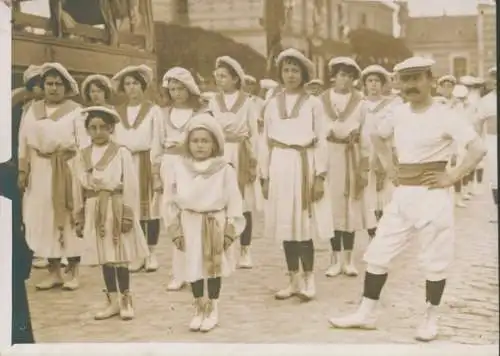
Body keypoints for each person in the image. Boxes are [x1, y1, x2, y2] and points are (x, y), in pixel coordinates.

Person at [328, 57, 487, 342]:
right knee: (378, 253)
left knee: (434, 259)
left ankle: (430, 317)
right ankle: (367, 312)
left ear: (431, 81)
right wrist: (389, 167)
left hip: (433, 196)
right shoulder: (398, 112)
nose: (411, 85)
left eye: (416, 78)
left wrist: (452, 176)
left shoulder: (445, 114)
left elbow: (477, 148)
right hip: (402, 195)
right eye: (405, 79)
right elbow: (377, 135)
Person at [260, 48, 333, 301]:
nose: (290, 75)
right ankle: (293, 279)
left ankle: (309, 279)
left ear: (304, 74)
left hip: (304, 165)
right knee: (286, 226)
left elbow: (322, 140)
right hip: (279, 165)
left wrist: (320, 176)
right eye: (286, 70)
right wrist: (265, 177)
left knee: (303, 226)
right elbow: (265, 141)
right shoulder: (271, 104)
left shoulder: (314, 104)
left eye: (295, 70)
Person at [164, 113, 245, 332]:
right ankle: (199, 307)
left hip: (214, 221)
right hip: (189, 221)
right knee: (194, 267)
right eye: (195, 141)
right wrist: (175, 228)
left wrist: (230, 229)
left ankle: (213, 308)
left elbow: (235, 201)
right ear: (188, 143)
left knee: (213, 268)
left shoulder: (224, 169)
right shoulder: (179, 167)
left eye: (205, 141)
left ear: (214, 144)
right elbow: (170, 200)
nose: (200, 146)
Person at [72, 106, 149, 321]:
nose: (98, 132)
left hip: (116, 205)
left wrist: (127, 213)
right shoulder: (82, 155)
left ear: (111, 128)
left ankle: (126, 299)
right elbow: (77, 187)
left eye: (103, 127)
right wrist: (79, 216)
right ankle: (112, 300)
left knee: (120, 256)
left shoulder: (121, 152)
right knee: (104, 256)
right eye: (93, 128)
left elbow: (131, 186)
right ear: (87, 130)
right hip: (94, 207)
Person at [18, 62, 89, 291]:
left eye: (59, 84)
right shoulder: (32, 109)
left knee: (69, 216)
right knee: (43, 219)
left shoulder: (75, 111)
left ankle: (74, 271)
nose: (54, 88)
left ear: (67, 87)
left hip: (67, 168)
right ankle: (54, 270)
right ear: (43, 86)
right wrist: (23, 169)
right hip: (40, 169)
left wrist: (84, 173)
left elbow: (83, 144)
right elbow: (23, 141)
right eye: (49, 83)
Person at [321, 57, 374, 277]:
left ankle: (348, 259)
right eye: (341, 75)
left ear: (354, 80)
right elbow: (317, 128)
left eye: (350, 76)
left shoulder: (360, 103)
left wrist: (363, 165)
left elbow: (367, 134)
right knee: (332, 207)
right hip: (330, 155)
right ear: (334, 76)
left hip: (350, 156)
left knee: (350, 206)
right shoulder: (322, 100)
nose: (345, 80)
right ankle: (334, 259)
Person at [209, 56, 263, 269]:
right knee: (220, 201)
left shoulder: (248, 102)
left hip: (240, 152)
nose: (220, 79)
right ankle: (223, 247)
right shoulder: (214, 101)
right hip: (220, 152)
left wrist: (253, 162)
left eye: (224, 76)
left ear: (234, 78)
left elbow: (254, 134)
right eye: (218, 76)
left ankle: (245, 250)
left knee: (243, 202)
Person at [112, 64, 163, 273]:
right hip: (125, 161)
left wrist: (155, 168)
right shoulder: (117, 112)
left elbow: (157, 139)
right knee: (130, 208)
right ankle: (136, 253)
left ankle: (151, 253)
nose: (131, 88)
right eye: (127, 84)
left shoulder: (153, 111)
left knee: (150, 209)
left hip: (145, 160)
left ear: (143, 86)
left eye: (135, 83)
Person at [159, 66, 203, 291]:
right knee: (172, 216)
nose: (176, 93)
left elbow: (206, 142)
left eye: (180, 89)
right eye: (172, 89)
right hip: (169, 167)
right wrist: (158, 173)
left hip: (191, 166)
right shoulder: (163, 114)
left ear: (189, 89)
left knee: (191, 216)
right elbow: (155, 144)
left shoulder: (199, 114)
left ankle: (193, 269)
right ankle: (177, 271)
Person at [360, 64, 395, 224]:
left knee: (386, 193)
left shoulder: (391, 105)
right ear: (365, 84)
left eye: (377, 81)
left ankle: (384, 227)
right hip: (365, 152)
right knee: (368, 193)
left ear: (382, 84)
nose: (373, 84)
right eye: (370, 81)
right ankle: (371, 231)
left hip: (384, 152)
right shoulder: (360, 105)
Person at [474, 66, 497, 222]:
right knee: (495, 176)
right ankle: (496, 210)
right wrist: (479, 144)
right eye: (494, 77)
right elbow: (478, 124)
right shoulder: (486, 101)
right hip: (493, 140)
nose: (496, 80)